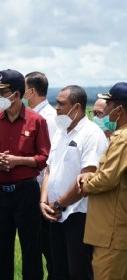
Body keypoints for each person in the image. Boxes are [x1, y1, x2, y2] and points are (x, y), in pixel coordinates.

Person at [0, 69, 50, 280]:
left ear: (17, 94)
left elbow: (44, 158)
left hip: (26, 192)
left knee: (31, 250)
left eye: (2, 92)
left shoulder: (36, 121)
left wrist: (18, 161)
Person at [40, 85, 108, 280]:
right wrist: (44, 202)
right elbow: (49, 169)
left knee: (78, 272)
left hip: (78, 215)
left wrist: (59, 203)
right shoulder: (61, 132)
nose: (56, 108)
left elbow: (86, 180)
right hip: (56, 214)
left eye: (61, 104)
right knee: (59, 270)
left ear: (76, 107)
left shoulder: (91, 134)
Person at [76, 82, 127, 280]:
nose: (105, 111)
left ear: (119, 109)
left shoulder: (122, 138)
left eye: (109, 105)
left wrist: (84, 183)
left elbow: (107, 178)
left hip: (112, 231)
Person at [25, 71, 57, 280]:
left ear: (31, 91)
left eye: (23, 88)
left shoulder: (48, 118)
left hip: (44, 194)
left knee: (50, 250)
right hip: (36, 192)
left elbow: (50, 160)